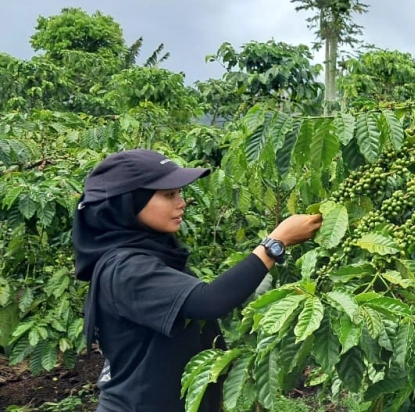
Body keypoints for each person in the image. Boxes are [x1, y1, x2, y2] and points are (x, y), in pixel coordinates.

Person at [71, 148, 322, 412]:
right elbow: (209, 300)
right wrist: (275, 243)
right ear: (128, 203)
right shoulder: (125, 269)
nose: (181, 202)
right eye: (169, 195)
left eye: (179, 192)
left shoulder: (152, 252)